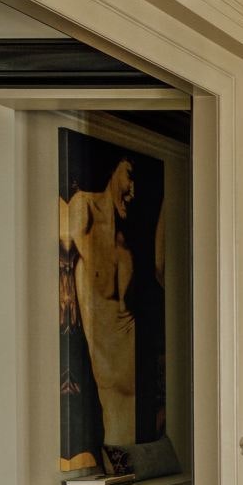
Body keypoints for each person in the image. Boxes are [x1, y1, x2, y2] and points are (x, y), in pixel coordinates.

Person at [60, 156, 144, 456]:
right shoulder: (84, 205)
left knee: (130, 397)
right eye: (129, 176)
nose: (133, 190)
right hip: (103, 329)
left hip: (127, 327)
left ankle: (126, 461)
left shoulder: (128, 229)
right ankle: (118, 458)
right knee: (111, 394)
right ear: (112, 170)